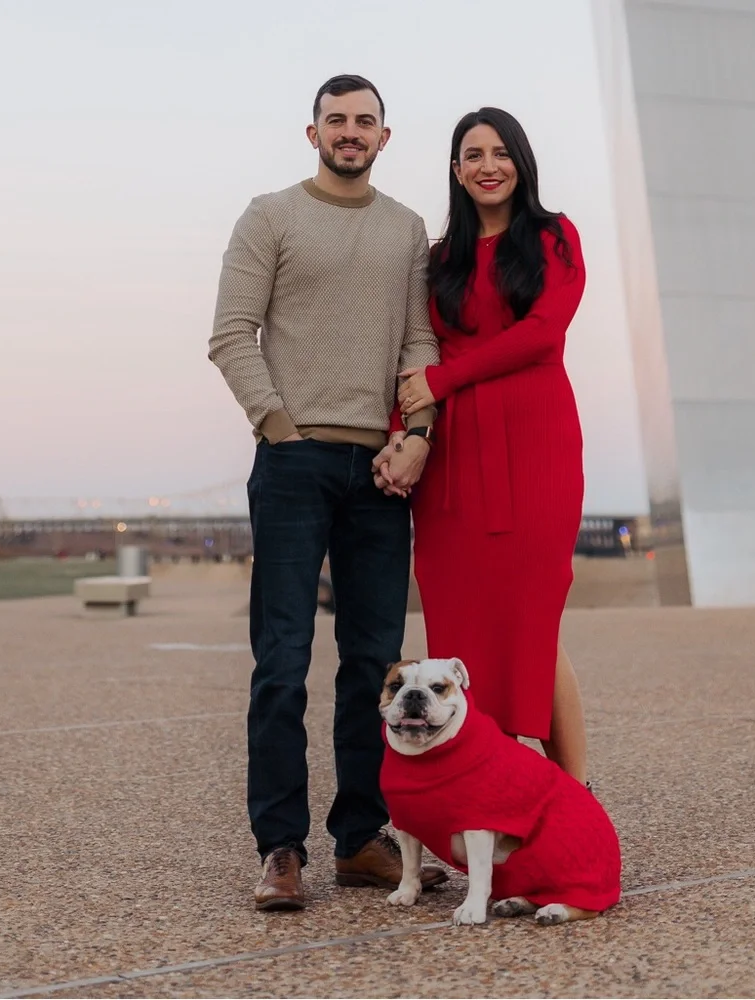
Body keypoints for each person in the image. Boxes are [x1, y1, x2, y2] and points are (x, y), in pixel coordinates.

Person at [209, 74, 446, 912]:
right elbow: (231, 333)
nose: (351, 132)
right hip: (294, 465)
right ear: (312, 133)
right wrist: (279, 426)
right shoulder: (270, 215)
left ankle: (358, 839)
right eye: (336, 120)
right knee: (282, 663)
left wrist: (416, 435)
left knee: (372, 667)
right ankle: (280, 848)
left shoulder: (407, 229)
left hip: (380, 472)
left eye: (365, 122)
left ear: (386, 137)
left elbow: (419, 339)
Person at [376, 107, 590, 784]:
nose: (488, 165)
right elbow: (414, 354)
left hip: (536, 443)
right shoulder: (438, 261)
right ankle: (486, 798)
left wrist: (443, 379)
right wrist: (401, 441)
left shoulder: (554, 237)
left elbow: (541, 334)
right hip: (453, 462)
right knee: (462, 627)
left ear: (521, 162)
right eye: (473, 154)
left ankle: (572, 794)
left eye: (501, 152)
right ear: (455, 170)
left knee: (533, 623)